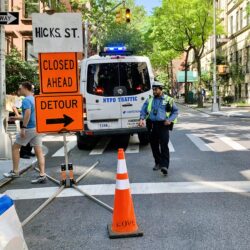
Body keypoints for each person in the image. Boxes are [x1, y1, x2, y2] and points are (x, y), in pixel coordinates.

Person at [4, 82, 47, 184]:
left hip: (29, 128)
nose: (19, 90)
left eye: (20, 88)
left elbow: (27, 113)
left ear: (25, 88)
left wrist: (23, 127)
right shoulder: (35, 99)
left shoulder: (26, 100)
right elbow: (30, 115)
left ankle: (15, 171)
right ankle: (42, 175)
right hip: (37, 128)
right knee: (39, 151)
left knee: (15, 147)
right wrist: (17, 117)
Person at [139, 81, 178, 176]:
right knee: (154, 146)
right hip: (152, 125)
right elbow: (143, 110)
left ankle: (165, 166)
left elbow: (175, 111)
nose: (154, 91)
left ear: (161, 89)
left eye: (156, 89)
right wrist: (141, 118)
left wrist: (170, 120)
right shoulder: (150, 100)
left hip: (163, 125)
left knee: (164, 145)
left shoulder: (168, 100)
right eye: (153, 89)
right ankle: (158, 163)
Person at [12, 86, 35, 159]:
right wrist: (18, 115)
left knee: (30, 138)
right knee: (24, 137)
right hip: (23, 120)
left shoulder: (31, 98)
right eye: (32, 89)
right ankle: (23, 152)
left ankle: (28, 151)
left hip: (29, 121)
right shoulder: (22, 98)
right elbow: (14, 107)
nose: (33, 90)